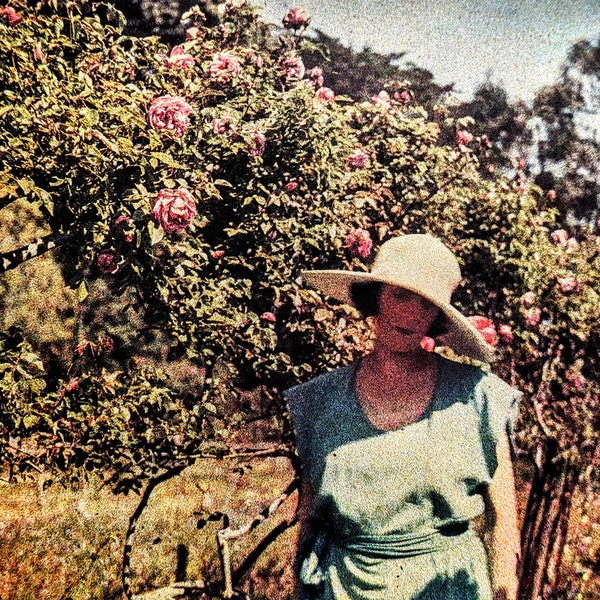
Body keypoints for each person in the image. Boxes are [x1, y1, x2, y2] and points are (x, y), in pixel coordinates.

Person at [284, 234, 521, 600]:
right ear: (375, 297)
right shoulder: (320, 401)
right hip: (343, 587)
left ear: (438, 317)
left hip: (447, 588)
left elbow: (503, 526)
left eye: (426, 304)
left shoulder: (476, 398)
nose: (411, 314)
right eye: (400, 295)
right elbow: (308, 521)